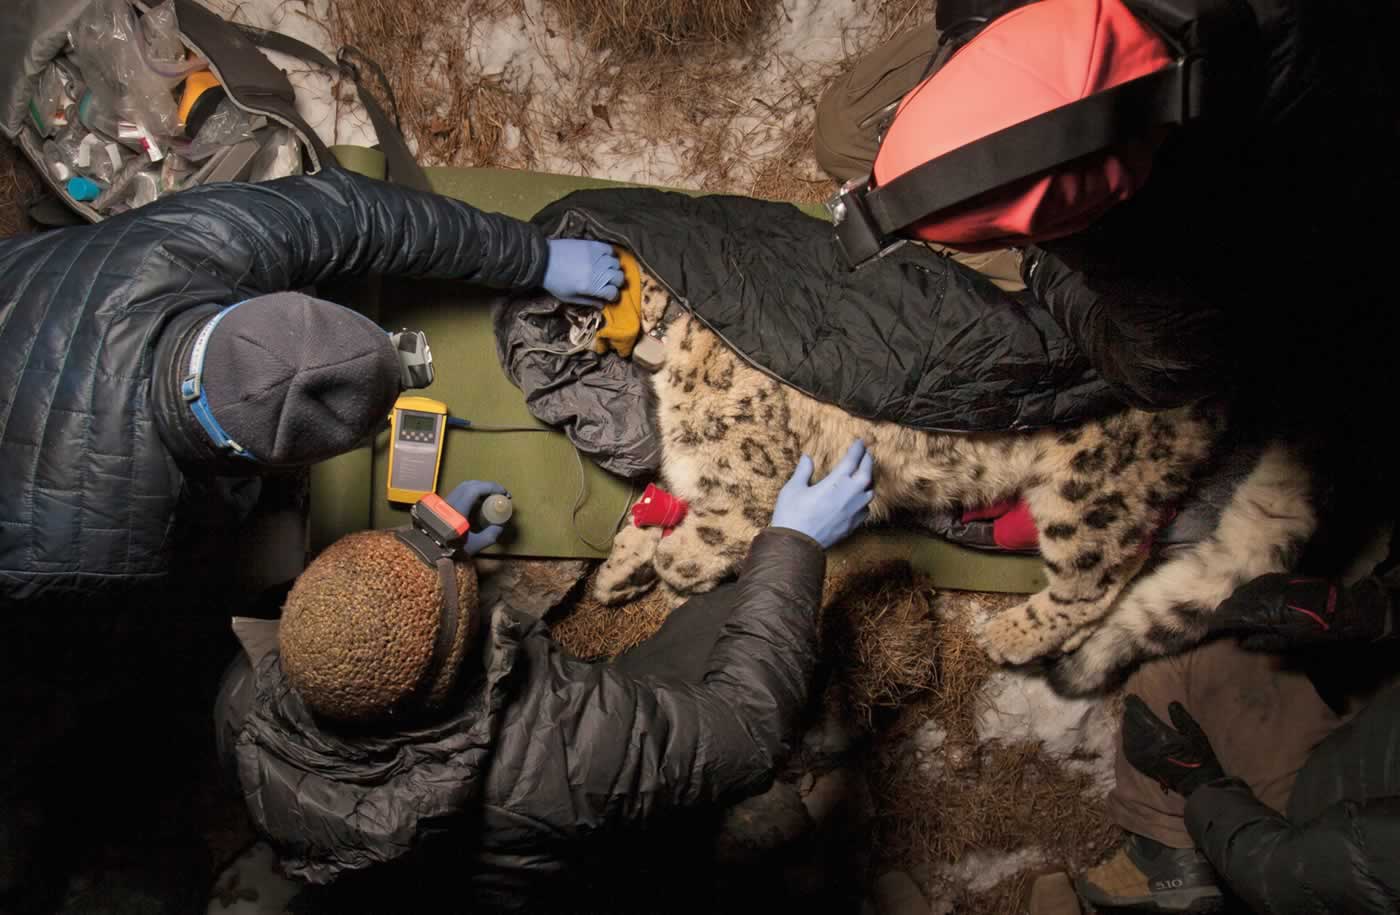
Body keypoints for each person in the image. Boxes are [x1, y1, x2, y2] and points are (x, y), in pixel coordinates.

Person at [212, 439, 876, 912]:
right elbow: (748, 731)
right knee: (722, 626)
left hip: (412, 877)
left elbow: (364, 629)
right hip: (554, 868)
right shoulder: (560, 745)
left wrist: (435, 548)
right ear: (460, 661)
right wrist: (795, 542)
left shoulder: (244, 696)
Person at [0, 165, 624, 604]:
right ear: (250, 463)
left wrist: (534, 257)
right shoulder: (104, 555)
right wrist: (423, 555)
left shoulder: (203, 240)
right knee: (272, 563)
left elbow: (355, 212)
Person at [814, 0, 1398, 419]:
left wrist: (1044, 261)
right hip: (1050, 38)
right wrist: (978, 51)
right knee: (842, 129)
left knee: (841, 137)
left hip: (1256, 178)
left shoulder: (1172, 230)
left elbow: (1164, 370)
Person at [1061, 563, 1400, 914]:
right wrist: (1374, 612)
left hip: (1308, 833)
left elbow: (1287, 878)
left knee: (1177, 664)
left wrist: (1200, 785)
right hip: (1371, 746)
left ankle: (1165, 859)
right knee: (1249, 639)